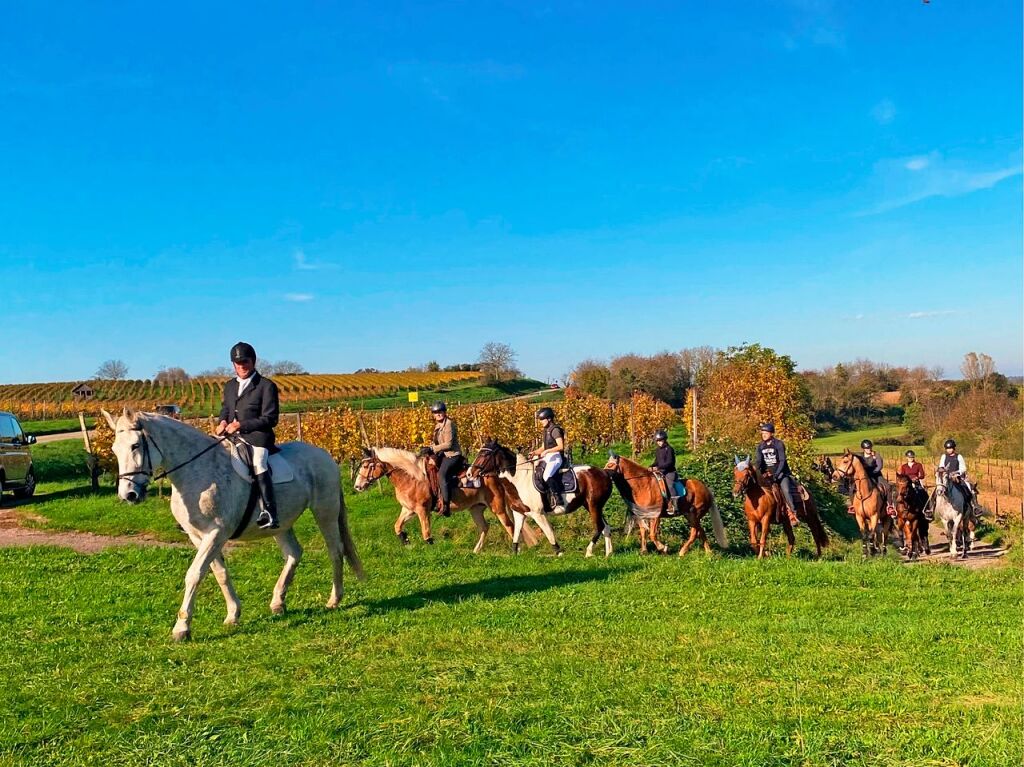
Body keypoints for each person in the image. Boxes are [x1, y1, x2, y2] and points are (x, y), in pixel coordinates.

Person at [216, 341, 280, 530]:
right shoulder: (229, 386)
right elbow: (226, 409)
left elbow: (270, 418)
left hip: (258, 437)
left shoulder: (266, 386)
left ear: (253, 361)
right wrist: (222, 422)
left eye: (245, 361)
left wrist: (240, 425)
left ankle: (269, 511)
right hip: (232, 436)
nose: (242, 366)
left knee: (259, 461)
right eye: (238, 363)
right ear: (233, 364)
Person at [752, 423, 799, 526]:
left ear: (771, 433)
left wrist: (777, 474)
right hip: (767, 475)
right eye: (762, 433)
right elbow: (759, 461)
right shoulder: (760, 446)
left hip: (781, 473)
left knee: (786, 490)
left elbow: (782, 461)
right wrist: (753, 469)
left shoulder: (778, 444)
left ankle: (793, 513)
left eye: (766, 433)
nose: (763, 435)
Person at [420, 401, 461, 517]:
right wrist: (428, 449)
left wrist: (432, 449)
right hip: (443, 454)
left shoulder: (449, 424)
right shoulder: (438, 425)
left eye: (440, 411)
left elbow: (448, 444)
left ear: (444, 412)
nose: (438, 414)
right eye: (436, 412)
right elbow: (437, 442)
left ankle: (446, 505)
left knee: (441, 474)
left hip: (453, 455)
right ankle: (434, 498)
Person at [530, 407, 567, 514]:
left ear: (549, 419)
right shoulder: (546, 430)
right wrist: (534, 452)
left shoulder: (555, 430)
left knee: (547, 475)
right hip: (549, 456)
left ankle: (559, 500)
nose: (540, 422)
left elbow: (561, 446)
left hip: (556, 457)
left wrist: (548, 451)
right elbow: (543, 447)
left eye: (542, 419)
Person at [937, 439, 980, 520]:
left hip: (957, 478)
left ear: (954, 448)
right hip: (946, 478)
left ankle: (975, 506)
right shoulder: (944, 456)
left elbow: (963, 468)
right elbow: (941, 466)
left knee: (969, 487)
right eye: (947, 449)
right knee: (938, 489)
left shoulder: (959, 456)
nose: (949, 450)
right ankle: (931, 508)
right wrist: (941, 469)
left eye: (950, 448)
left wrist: (956, 472)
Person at [650, 429, 683, 504]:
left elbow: (670, 463)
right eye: (658, 441)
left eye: (660, 440)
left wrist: (658, 467)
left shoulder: (669, 449)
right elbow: (657, 461)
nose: (659, 442)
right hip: (661, 471)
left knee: (670, 485)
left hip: (670, 472)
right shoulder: (658, 450)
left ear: (664, 440)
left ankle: (676, 505)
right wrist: (651, 466)